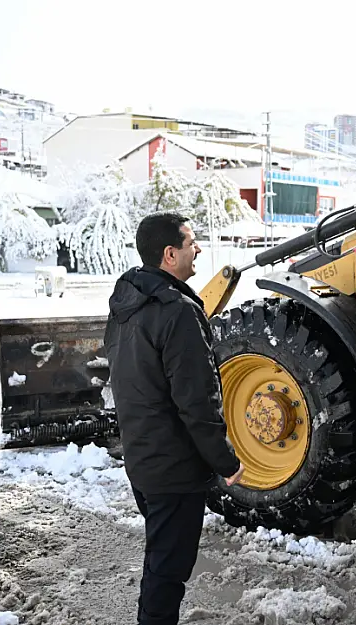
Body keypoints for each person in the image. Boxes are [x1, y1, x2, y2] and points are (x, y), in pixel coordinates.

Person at [103, 212, 243, 625]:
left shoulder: (126, 303)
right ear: (169, 254)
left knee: (160, 558)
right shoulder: (177, 311)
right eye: (190, 242)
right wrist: (225, 460)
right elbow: (196, 400)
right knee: (168, 571)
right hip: (173, 468)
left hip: (142, 459)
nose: (197, 248)